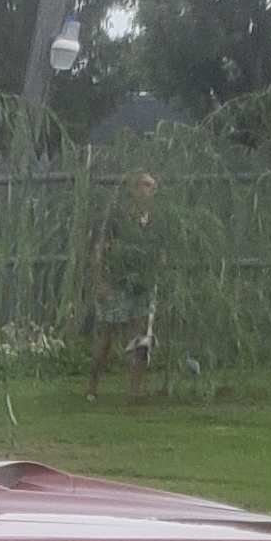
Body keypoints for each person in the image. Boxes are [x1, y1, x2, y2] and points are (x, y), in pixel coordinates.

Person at [81, 169, 162, 403]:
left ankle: (135, 391)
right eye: (144, 185)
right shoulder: (117, 218)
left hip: (143, 285)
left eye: (151, 186)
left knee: (141, 338)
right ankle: (92, 387)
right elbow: (99, 250)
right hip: (116, 283)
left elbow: (160, 252)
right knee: (107, 336)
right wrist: (100, 282)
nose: (148, 191)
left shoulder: (155, 220)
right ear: (133, 189)